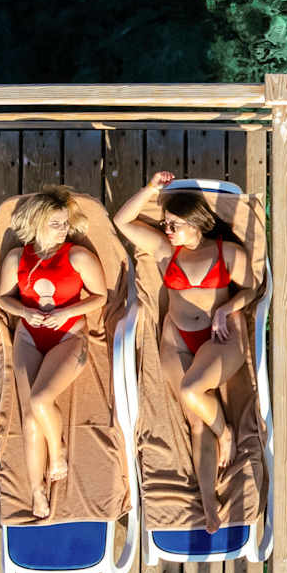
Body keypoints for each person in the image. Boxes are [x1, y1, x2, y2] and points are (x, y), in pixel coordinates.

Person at [113, 171, 258, 479]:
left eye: (173, 225)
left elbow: (251, 289)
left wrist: (226, 308)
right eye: (165, 223)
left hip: (218, 336)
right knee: (196, 422)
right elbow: (122, 221)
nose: (166, 230)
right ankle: (209, 499)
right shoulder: (166, 251)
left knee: (191, 391)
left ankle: (226, 433)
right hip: (177, 338)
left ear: (195, 223)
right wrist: (150, 188)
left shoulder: (226, 252)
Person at [0, 185, 109, 518]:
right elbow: (5, 298)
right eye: (56, 223)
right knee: (29, 418)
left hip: (68, 335)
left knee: (40, 401)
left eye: (65, 223)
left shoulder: (77, 256)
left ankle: (58, 452)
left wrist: (66, 311)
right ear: (37, 223)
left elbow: (100, 297)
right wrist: (24, 312)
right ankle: (36, 490)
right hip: (30, 335)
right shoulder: (17, 258)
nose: (63, 229)